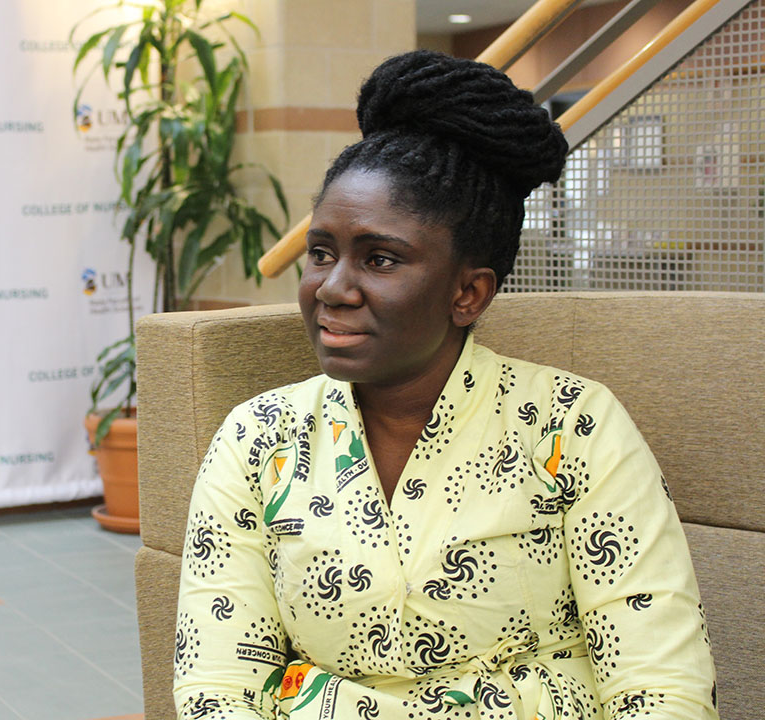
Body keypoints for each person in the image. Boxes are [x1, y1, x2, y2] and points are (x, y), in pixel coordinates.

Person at [173, 50, 717, 720]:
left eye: (379, 258)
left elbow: (660, 687)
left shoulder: (573, 427)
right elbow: (215, 686)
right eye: (321, 253)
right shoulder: (257, 440)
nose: (332, 288)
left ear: (468, 292)